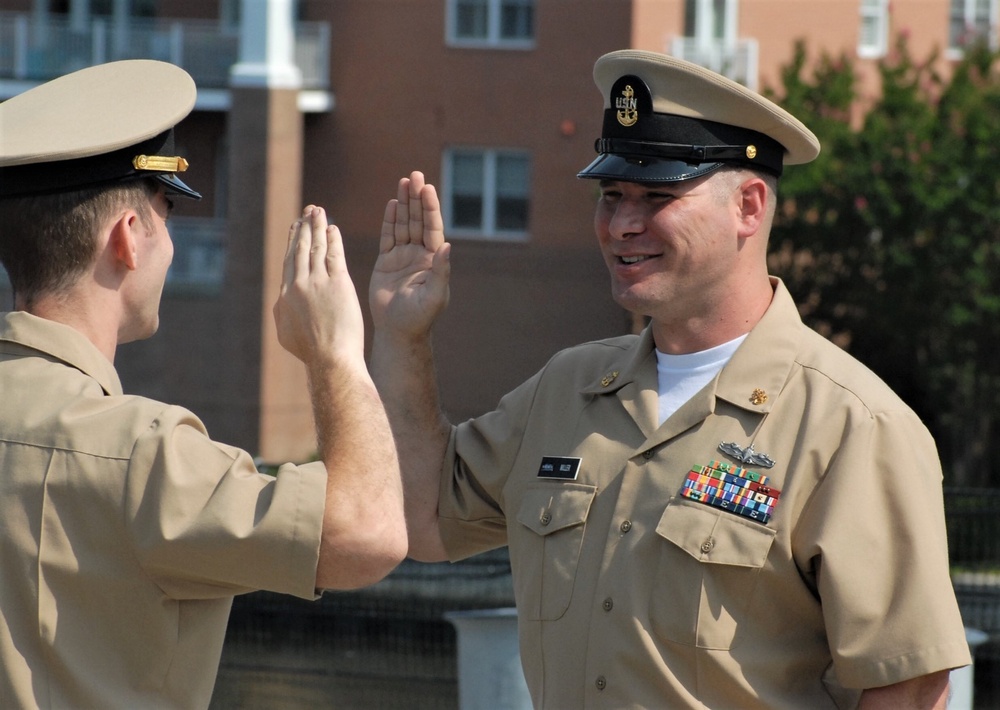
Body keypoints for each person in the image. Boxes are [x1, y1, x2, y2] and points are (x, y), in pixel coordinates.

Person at [369, 49, 972, 708]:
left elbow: (908, 688)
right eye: (612, 195)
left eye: (657, 196)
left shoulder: (852, 426)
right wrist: (403, 338)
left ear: (748, 205)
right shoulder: (566, 388)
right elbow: (420, 519)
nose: (623, 224)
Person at [0, 60, 406, 708]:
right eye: (167, 212)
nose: (174, 245)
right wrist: (335, 353)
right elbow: (369, 535)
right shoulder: (141, 454)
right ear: (128, 237)